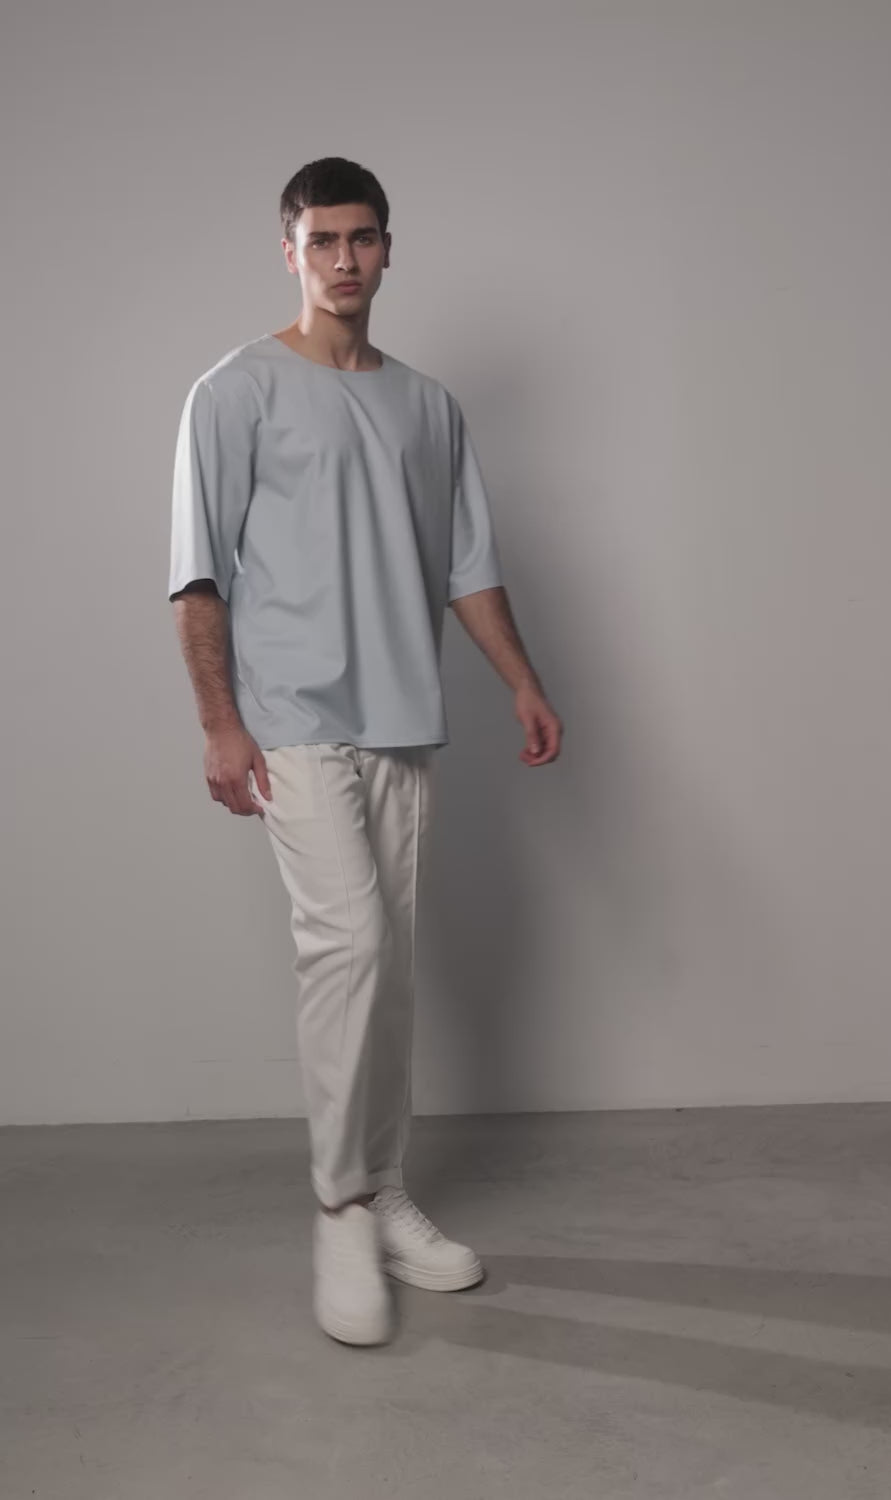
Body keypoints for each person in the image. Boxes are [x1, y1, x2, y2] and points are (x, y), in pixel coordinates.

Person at [168, 156, 563, 1347]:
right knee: (347, 944)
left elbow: (466, 566)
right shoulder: (234, 392)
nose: (345, 259)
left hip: (403, 718)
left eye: (364, 238)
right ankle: (339, 1204)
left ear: (389, 248)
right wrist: (219, 722)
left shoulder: (429, 408)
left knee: (387, 966)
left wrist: (522, 680)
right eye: (323, 238)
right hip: (290, 718)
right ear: (289, 250)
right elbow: (199, 572)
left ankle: (383, 1190)